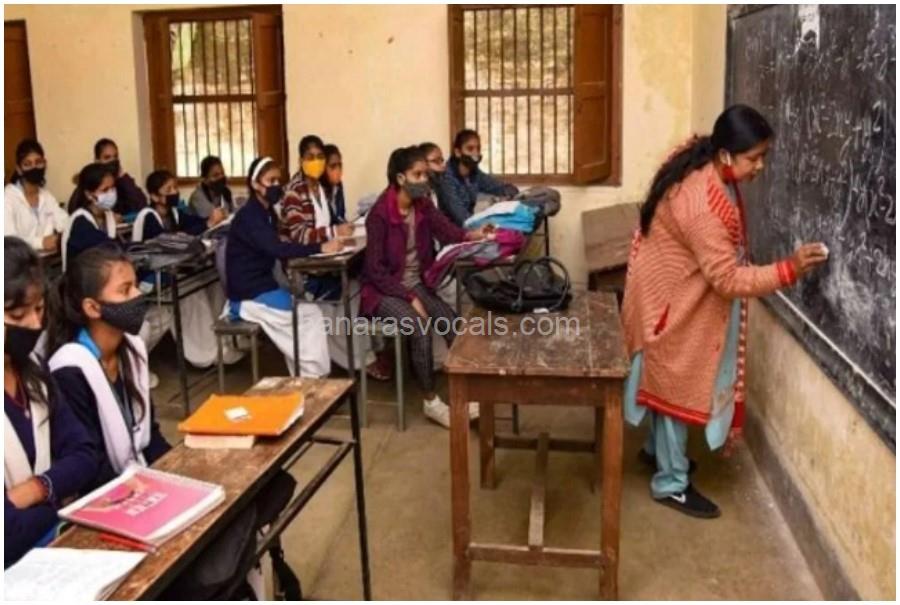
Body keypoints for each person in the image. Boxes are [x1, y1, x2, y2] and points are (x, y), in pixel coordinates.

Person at [621, 105, 829, 518]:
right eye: (754, 158)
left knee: (663, 377)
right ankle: (670, 484)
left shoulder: (704, 164)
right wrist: (789, 269)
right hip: (668, 302)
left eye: (764, 156)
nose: (760, 167)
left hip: (667, 287)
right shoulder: (701, 207)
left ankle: (657, 451)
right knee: (671, 381)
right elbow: (728, 280)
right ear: (725, 155)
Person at [46, 244, 288, 599]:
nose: (138, 296)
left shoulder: (130, 351)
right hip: (108, 503)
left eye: (135, 285)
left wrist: (186, 478)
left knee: (256, 491)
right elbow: (91, 470)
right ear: (92, 307)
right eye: (125, 290)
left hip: (141, 485)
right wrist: (159, 494)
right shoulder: (70, 369)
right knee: (211, 551)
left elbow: (148, 436)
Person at [361, 146, 492, 428]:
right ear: (400, 178)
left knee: (451, 323)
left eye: (424, 174)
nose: (424, 179)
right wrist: (409, 297)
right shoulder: (379, 215)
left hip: (414, 283)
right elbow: (375, 271)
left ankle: (468, 394)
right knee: (418, 328)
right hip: (383, 291)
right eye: (417, 175)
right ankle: (431, 401)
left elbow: (446, 229)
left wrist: (472, 235)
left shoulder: (422, 204)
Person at [4, 237, 98, 568]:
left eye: (39, 309)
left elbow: (85, 455)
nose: (34, 324)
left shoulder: (34, 372)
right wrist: (60, 499)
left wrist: (38, 488)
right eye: (17, 314)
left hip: (52, 547)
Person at [225, 156, 341, 377]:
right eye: (271, 181)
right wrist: (320, 247)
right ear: (255, 184)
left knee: (311, 313)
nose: (276, 185)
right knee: (309, 316)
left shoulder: (267, 212)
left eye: (279, 180)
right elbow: (277, 249)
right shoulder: (250, 216)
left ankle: (310, 376)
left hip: (264, 286)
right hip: (250, 294)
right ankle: (311, 378)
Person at [133, 170, 237, 369]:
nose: (174, 192)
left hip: (175, 270)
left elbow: (193, 225)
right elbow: (165, 243)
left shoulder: (174, 213)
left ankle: (224, 342)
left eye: (175, 187)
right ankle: (205, 353)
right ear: (154, 196)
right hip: (153, 277)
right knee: (193, 293)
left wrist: (210, 223)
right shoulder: (148, 217)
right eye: (168, 190)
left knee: (215, 282)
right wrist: (200, 227)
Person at [437, 129, 519, 226]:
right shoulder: (446, 177)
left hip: (470, 225)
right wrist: (484, 225)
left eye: (478, 149)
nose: (475, 154)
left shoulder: (475, 173)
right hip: (452, 229)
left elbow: (499, 187)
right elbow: (461, 216)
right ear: (458, 152)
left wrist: (510, 195)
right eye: (470, 149)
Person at [4, 139, 69, 253]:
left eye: (38, 162)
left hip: (49, 259)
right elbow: (9, 241)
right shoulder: (7, 197)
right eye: (27, 164)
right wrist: (40, 243)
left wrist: (62, 234)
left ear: (44, 164)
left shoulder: (47, 196)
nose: (34, 167)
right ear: (19, 169)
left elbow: (65, 223)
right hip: (20, 262)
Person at [62, 163, 119, 271]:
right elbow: (105, 247)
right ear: (89, 194)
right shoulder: (80, 221)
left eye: (113, 188)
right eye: (105, 190)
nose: (111, 193)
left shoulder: (108, 216)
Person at [87, 138, 147, 216]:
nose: (112, 161)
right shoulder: (89, 182)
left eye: (115, 157)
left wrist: (122, 177)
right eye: (107, 157)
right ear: (97, 161)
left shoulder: (122, 182)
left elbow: (141, 205)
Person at [321, 144, 348, 224]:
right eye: (333, 167)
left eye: (340, 165)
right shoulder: (318, 191)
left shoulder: (338, 186)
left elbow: (341, 216)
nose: (338, 170)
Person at [418, 141, 447, 209]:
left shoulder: (435, 189)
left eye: (442, 160)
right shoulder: (417, 193)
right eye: (436, 161)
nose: (443, 165)